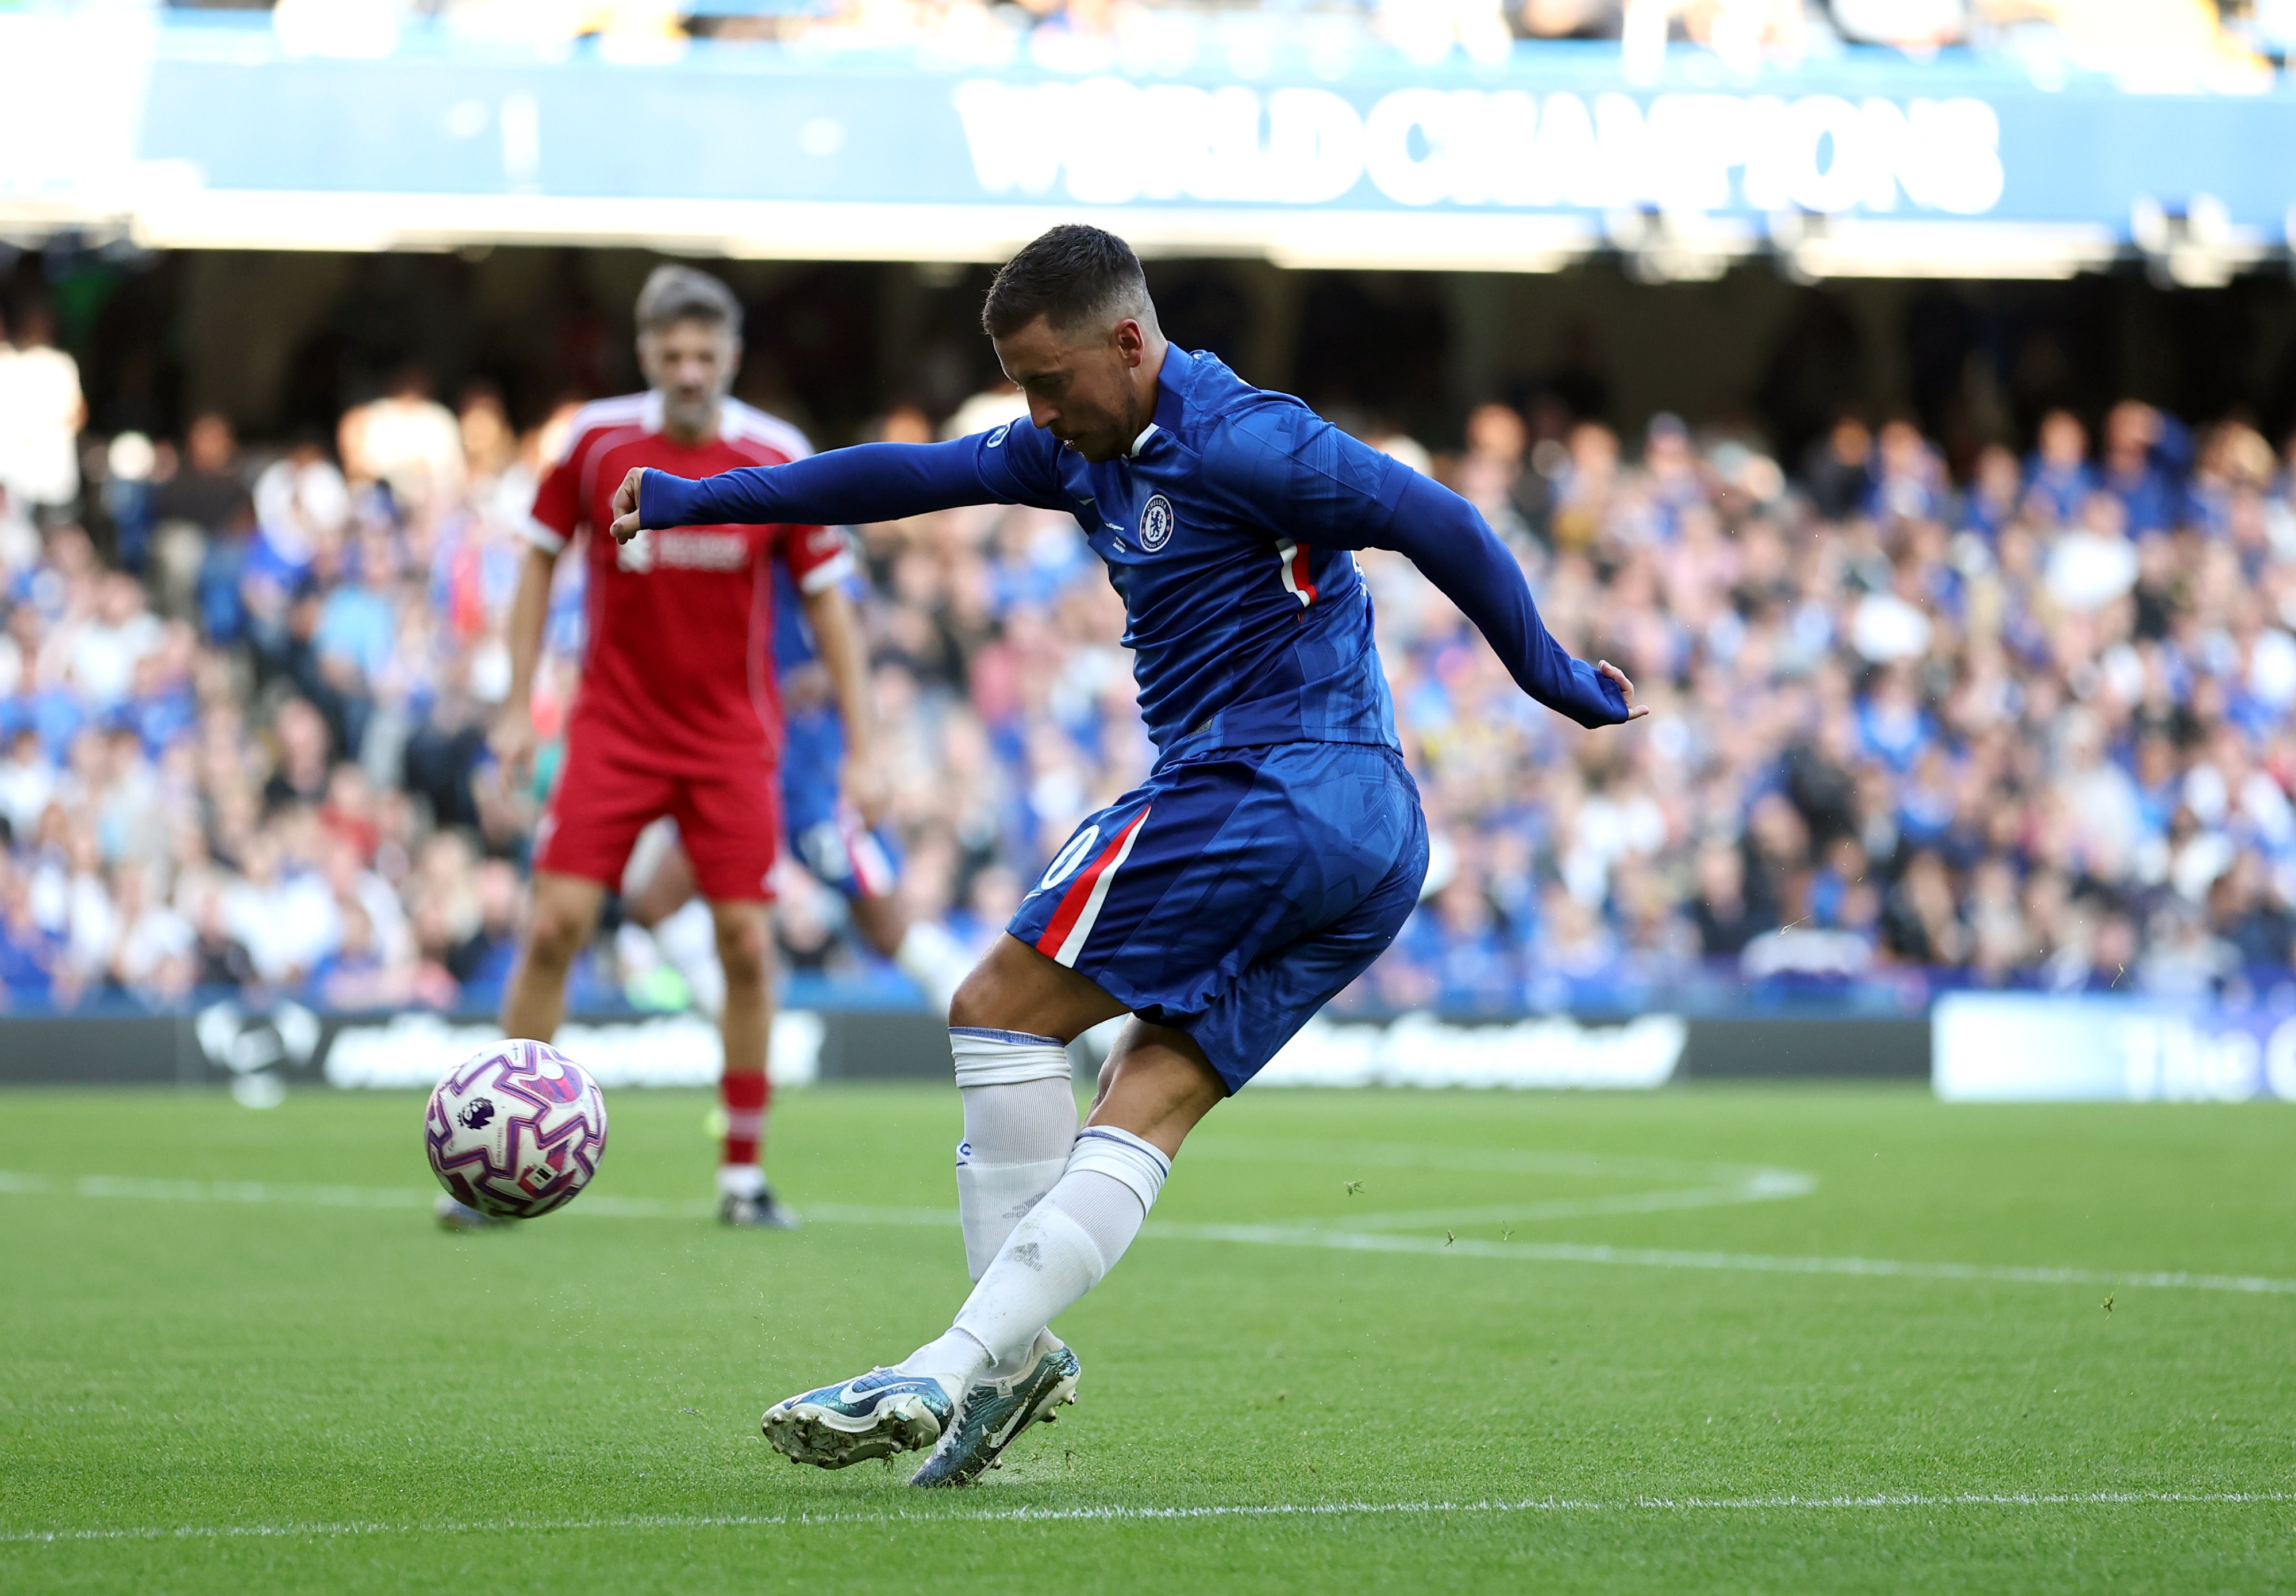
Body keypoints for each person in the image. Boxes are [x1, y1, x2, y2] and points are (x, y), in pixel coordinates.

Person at [612, 226, 1643, 1486]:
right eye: (1019, 387)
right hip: (1368, 845)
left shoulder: (1246, 437)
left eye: (1050, 381)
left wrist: (1552, 677)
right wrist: (693, 497)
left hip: (1272, 785)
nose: (1036, 412)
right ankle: (992, 1357)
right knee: (1144, 1096)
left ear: (1129, 340)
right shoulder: (1079, 444)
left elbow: (1438, 516)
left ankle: (963, 1367)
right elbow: (906, 475)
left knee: (997, 1008)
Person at [449, 264, 880, 1235]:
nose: (689, 370)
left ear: (731, 356)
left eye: (705, 353)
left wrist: (865, 746)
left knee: (745, 944)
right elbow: (535, 560)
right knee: (556, 921)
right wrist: (518, 703)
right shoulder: (596, 442)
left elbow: (830, 604)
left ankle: (741, 1172)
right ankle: (488, 1158)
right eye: (671, 353)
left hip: (732, 736)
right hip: (613, 725)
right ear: (646, 355)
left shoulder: (773, 452)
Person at [618, 553, 971, 1014]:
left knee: (888, 928)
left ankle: (985, 1015)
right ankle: (741, 1033)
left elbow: (859, 619)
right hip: (736, 767)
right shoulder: (723, 540)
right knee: (654, 906)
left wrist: (829, 673)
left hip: (806, 776)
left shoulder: (803, 532)